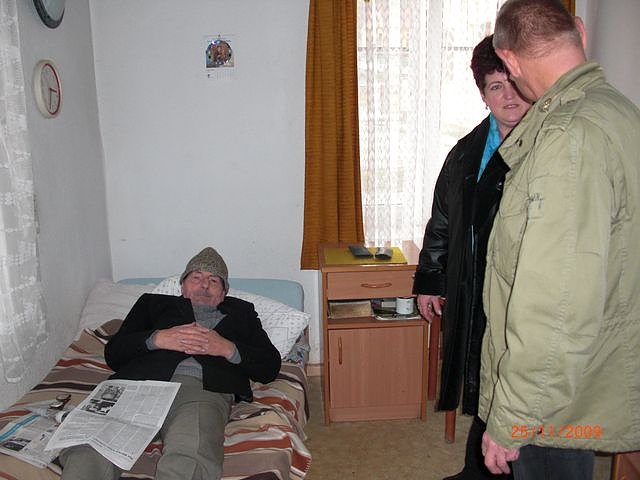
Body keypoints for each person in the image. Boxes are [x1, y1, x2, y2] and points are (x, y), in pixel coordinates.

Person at [479, 1, 640, 478]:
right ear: (580, 33)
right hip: (583, 369)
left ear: (509, 60)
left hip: (554, 398)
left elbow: (555, 304)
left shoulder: (568, 138)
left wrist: (512, 418)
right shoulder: (617, 111)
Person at [413, 35, 531, 480]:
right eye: (496, 86)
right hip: (475, 286)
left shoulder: (549, 145)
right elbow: (442, 219)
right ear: (483, 94)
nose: (508, 96)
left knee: (514, 381)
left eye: (513, 84)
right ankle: (478, 468)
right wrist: (430, 279)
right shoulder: (466, 151)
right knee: (483, 378)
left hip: (525, 292)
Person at [59, 247, 281, 480]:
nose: (204, 285)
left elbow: (270, 366)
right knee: (89, 448)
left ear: (224, 293)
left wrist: (226, 348)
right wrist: (157, 339)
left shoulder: (243, 313)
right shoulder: (152, 304)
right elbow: (114, 353)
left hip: (202, 389)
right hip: (137, 385)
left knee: (190, 452)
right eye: (196, 277)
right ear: (182, 286)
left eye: (214, 281)